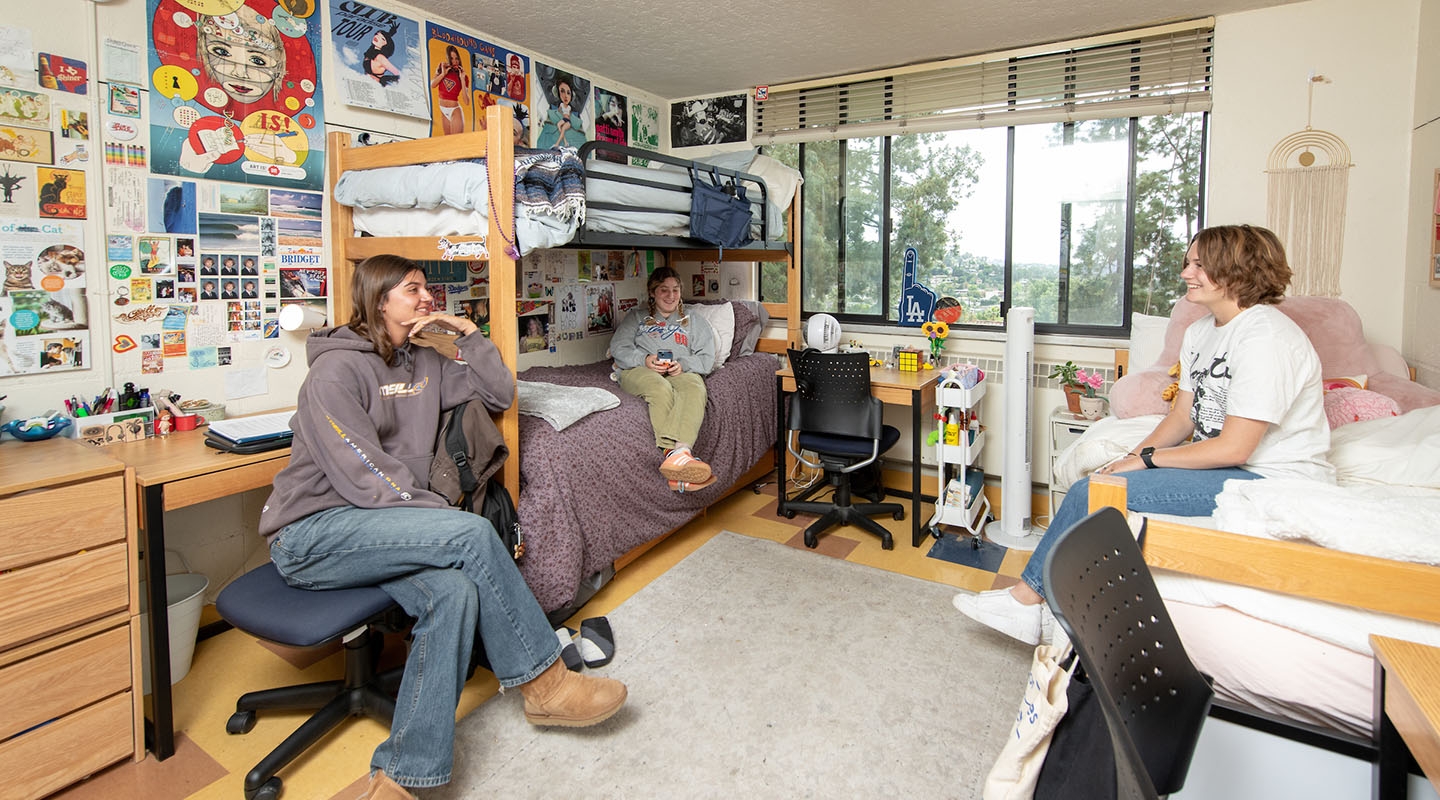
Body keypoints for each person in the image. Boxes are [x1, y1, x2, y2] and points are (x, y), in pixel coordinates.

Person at [258, 254, 626, 799]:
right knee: (471, 536)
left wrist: (469, 334)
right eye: (412, 289)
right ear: (379, 298)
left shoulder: (422, 363)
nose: (427, 297)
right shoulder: (334, 372)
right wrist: (443, 520)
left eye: (427, 288)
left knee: (454, 593)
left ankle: (402, 777)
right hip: (316, 534)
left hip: (381, 528)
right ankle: (544, 684)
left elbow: (500, 393)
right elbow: (365, 477)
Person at [954, 224, 1334, 646]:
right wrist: (1130, 458)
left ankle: (1028, 602)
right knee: (1104, 479)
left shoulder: (1267, 336)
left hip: (1270, 477)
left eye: (1200, 265)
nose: (1187, 273)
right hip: (1231, 466)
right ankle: (1052, 604)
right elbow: (1183, 417)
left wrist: (1148, 462)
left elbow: (1236, 446)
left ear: (1237, 271)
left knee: (1088, 495)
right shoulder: (1202, 332)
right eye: (1188, 263)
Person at [610, 266, 718, 491]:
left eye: (675, 290)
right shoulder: (637, 317)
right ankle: (675, 456)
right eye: (663, 290)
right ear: (652, 292)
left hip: (679, 370)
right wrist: (645, 359)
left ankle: (679, 453)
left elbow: (706, 358)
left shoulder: (693, 321)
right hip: (640, 370)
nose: (670, 296)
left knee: (696, 387)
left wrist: (684, 364)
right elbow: (618, 347)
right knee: (659, 388)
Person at [537, 76, 586, 149]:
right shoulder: (555, 110)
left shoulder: (572, 112)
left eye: (568, 93)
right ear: (558, 93)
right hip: (561, 121)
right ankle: (565, 142)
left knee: (562, 129)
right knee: (559, 127)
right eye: (562, 91)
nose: (565, 96)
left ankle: (558, 144)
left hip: (567, 121)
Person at [431, 45, 469, 135]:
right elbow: (433, 85)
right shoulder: (442, 69)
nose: (455, 61)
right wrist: (443, 74)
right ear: (448, 58)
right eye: (452, 58)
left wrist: (462, 79)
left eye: (456, 58)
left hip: (454, 110)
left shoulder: (463, 76)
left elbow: (466, 101)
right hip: (443, 110)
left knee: (455, 141)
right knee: (447, 141)